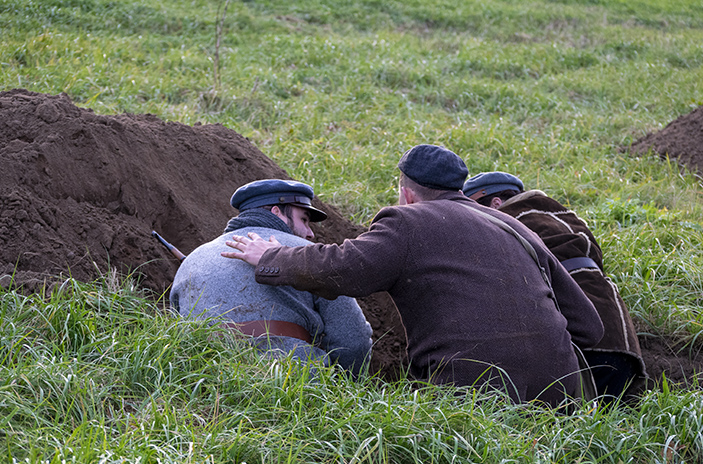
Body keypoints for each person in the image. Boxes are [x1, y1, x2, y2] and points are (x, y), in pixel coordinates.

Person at [222, 145, 604, 406]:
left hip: (472, 398)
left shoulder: (407, 221)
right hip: (562, 396)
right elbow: (590, 327)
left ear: (406, 194)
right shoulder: (516, 228)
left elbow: (342, 268)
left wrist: (269, 256)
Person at [462, 171, 648, 401]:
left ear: (496, 202)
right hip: (623, 340)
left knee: (565, 428)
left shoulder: (505, 222)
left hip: (581, 346)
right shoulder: (567, 218)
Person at [170, 179, 372, 377]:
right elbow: (354, 340)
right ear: (277, 212)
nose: (310, 233)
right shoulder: (309, 255)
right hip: (294, 386)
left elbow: (175, 337)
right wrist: (343, 387)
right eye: (304, 219)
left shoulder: (193, 260)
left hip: (204, 385)